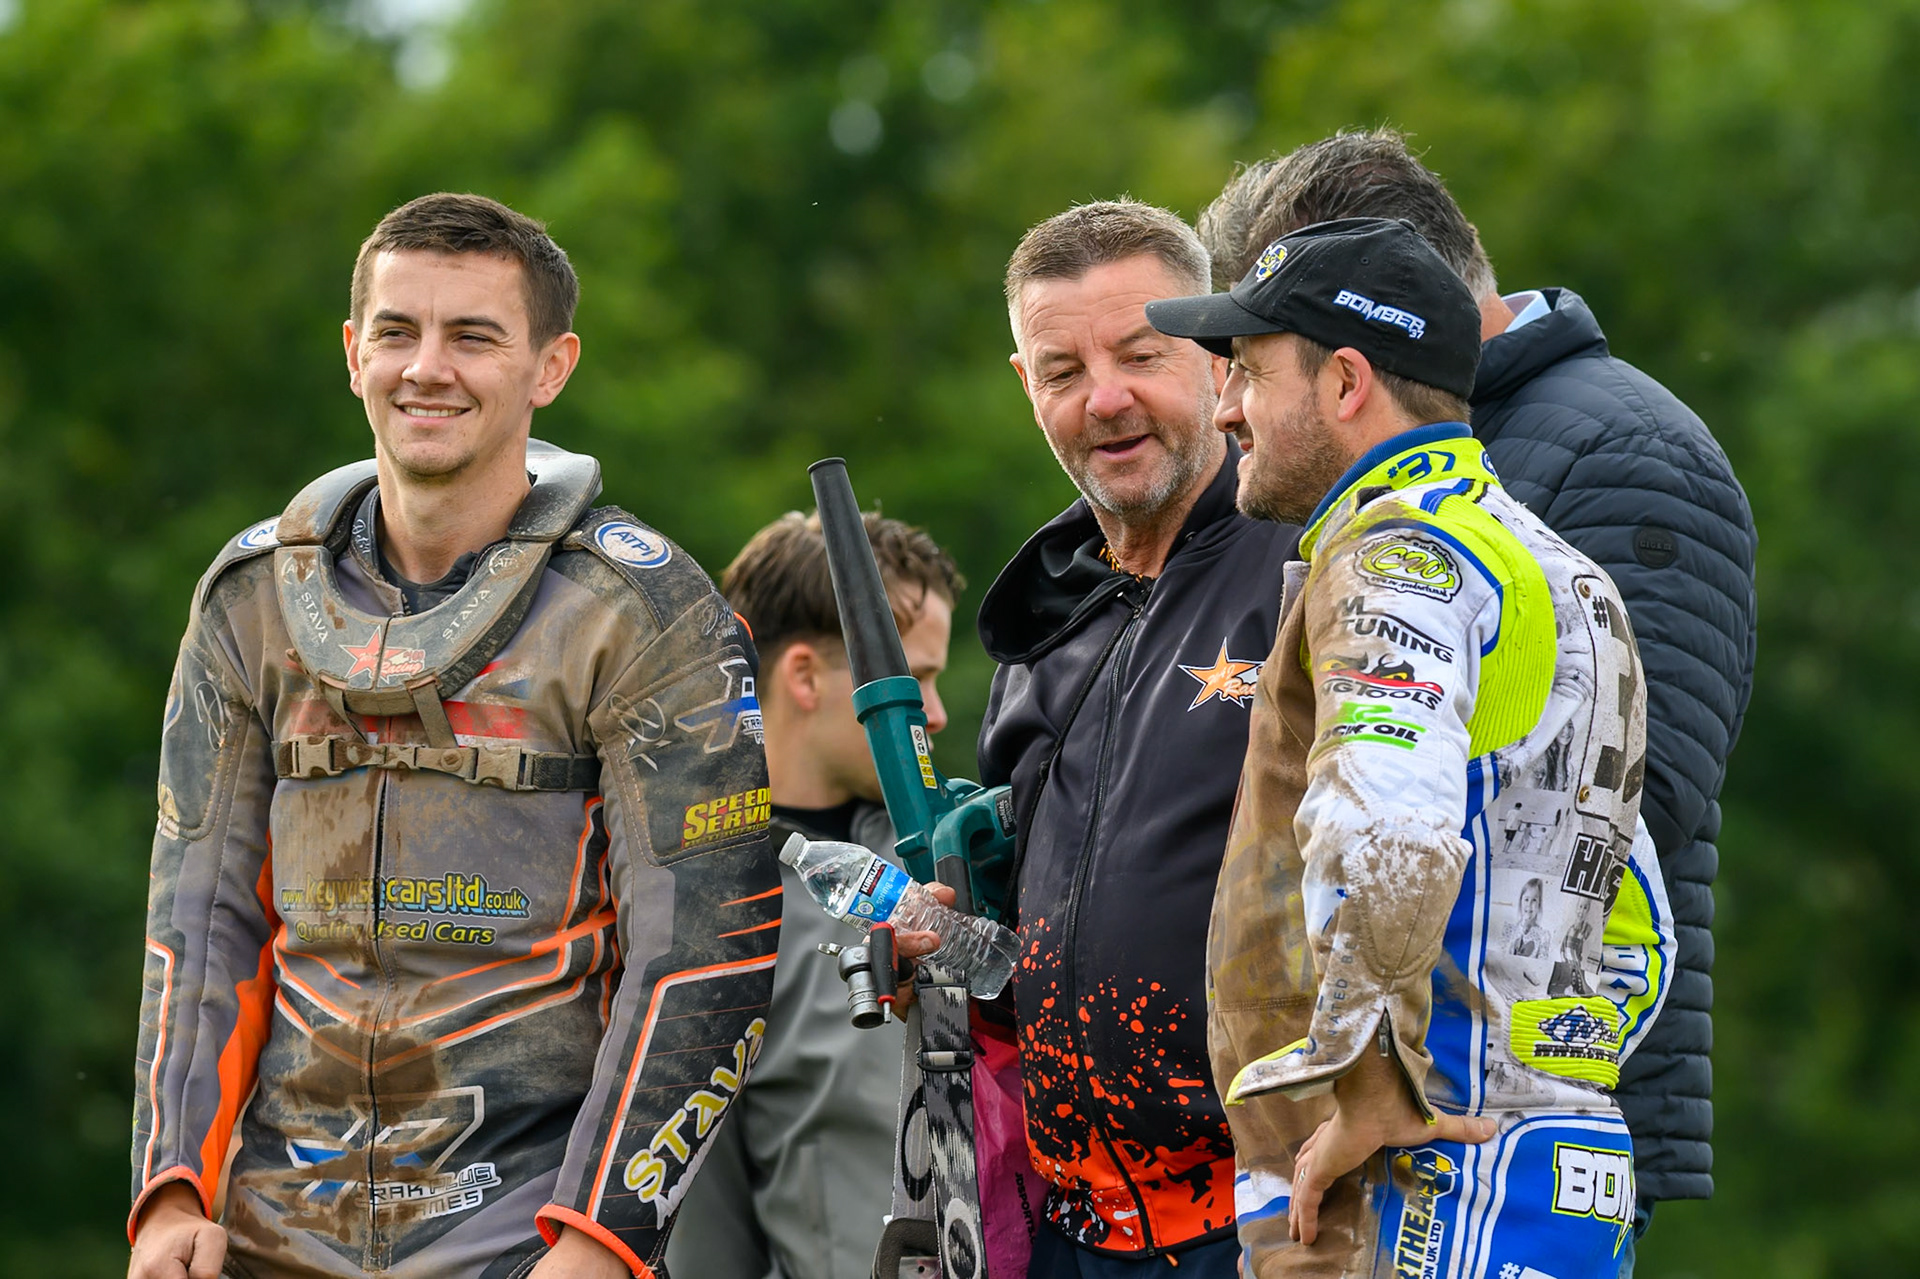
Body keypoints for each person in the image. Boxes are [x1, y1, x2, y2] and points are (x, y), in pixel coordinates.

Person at [127, 193, 780, 1279]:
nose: (427, 367)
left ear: (551, 366)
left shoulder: (643, 609)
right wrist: (167, 1193)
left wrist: (602, 1240)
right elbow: (195, 919)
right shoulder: (247, 599)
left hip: (526, 1240)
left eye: (474, 335)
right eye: (397, 330)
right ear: (352, 353)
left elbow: (708, 953)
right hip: (266, 1237)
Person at [1196, 130, 1758, 1269]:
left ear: (1348, 370)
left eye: (1249, 365)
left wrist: (1371, 1081)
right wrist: (1562, 1069)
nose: (1224, 412)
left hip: (1427, 1160)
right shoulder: (1544, 553)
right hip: (1536, 1151)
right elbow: (1617, 888)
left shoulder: (1412, 543)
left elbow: (1396, 824)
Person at [974, 200, 1299, 1277]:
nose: (1104, 399)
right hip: (1065, 1231)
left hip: (1264, 1221)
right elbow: (1027, 910)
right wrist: (954, 926)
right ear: (1026, 391)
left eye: (1141, 355)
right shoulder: (1040, 618)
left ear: (1220, 360)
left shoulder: (1307, 564)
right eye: (1062, 371)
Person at [666, 510, 962, 1279]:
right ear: (803, 675)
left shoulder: (955, 868)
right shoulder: (702, 911)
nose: (935, 713)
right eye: (915, 679)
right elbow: (706, 1236)